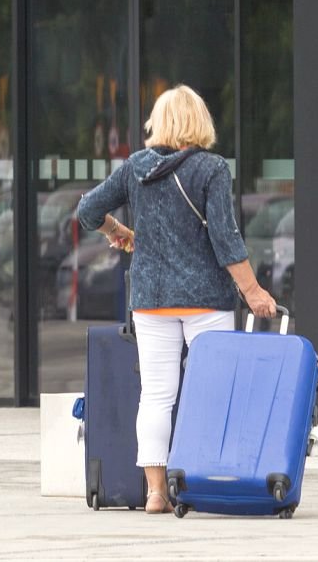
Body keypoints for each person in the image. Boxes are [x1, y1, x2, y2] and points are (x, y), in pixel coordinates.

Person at [77, 84, 277, 514]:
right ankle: (204, 482)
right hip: (206, 301)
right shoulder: (211, 169)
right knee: (210, 392)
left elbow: (87, 210)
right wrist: (254, 292)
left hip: (151, 301)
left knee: (156, 395)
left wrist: (116, 231)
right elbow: (226, 240)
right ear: (199, 121)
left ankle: (154, 493)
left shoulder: (135, 168)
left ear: (160, 122)